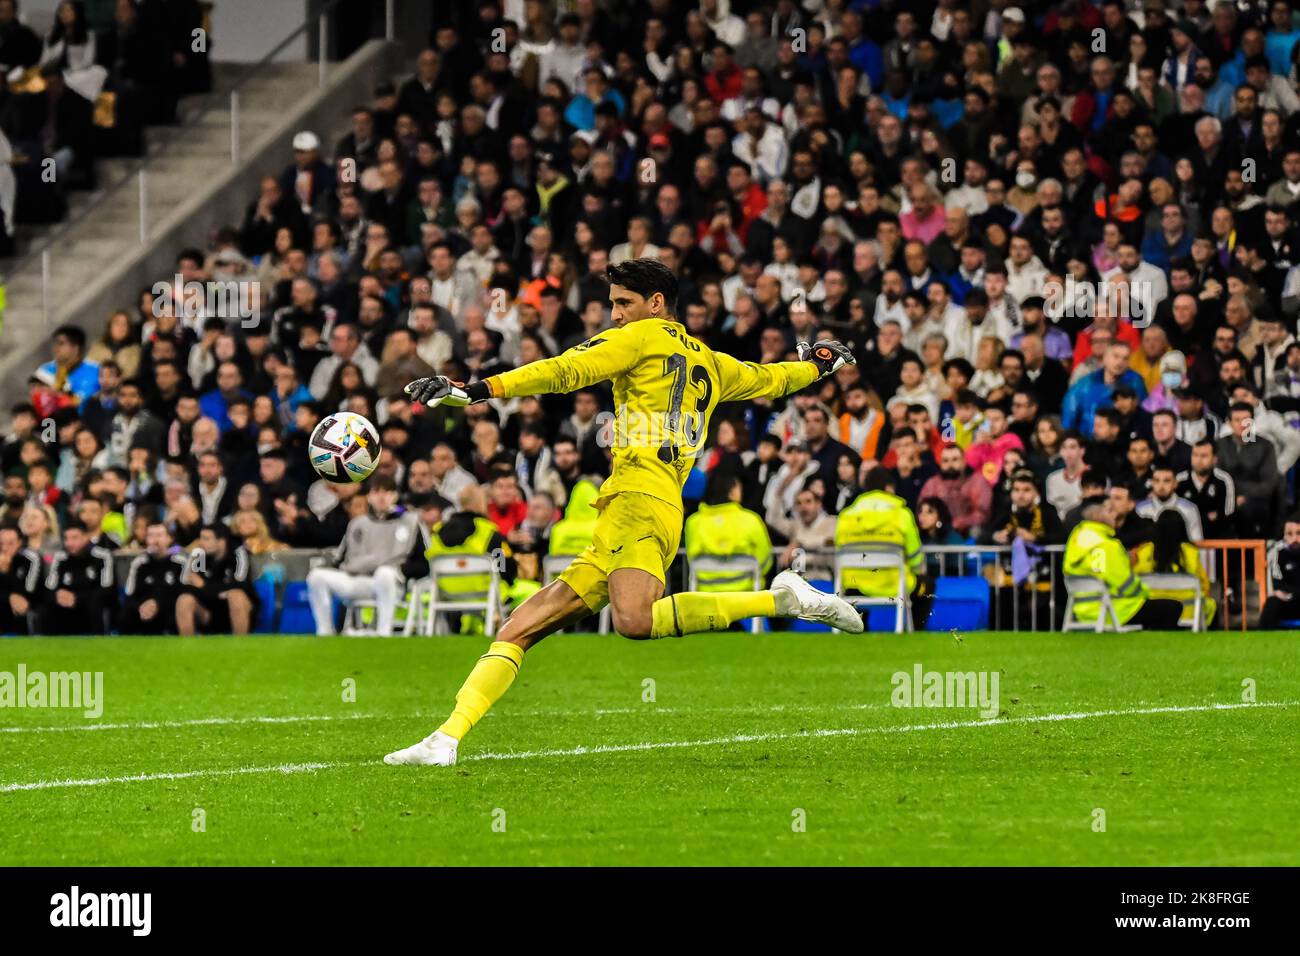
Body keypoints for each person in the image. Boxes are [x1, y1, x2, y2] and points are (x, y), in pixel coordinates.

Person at [386, 258, 863, 767]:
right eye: (613, 304)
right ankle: (446, 739)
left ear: (655, 305)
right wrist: (819, 364)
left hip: (639, 499)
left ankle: (780, 599)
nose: (614, 315)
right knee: (519, 628)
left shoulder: (640, 338)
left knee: (634, 621)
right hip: (636, 505)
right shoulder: (712, 361)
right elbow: (770, 378)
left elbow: (564, 369)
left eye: (623, 303)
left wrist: (475, 389)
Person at [305, 474, 426, 636]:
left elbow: (423, 565)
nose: (382, 497)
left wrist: (401, 571)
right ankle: (325, 631)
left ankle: (384, 632)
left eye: (387, 492)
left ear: (395, 496)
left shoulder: (409, 522)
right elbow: (340, 559)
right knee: (316, 576)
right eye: (376, 492)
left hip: (388, 583)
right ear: (369, 496)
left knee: (384, 573)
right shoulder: (357, 524)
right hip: (356, 579)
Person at [1061, 495, 1185, 630]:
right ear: (1097, 517)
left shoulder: (1076, 539)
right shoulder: (1107, 545)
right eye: (1109, 511)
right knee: (1172, 608)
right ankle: (1153, 649)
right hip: (1115, 610)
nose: (1114, 515)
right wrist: (1145, 594)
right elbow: (1126, 585)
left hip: (1083, 610)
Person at [834, 467, 926, 620]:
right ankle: (916, 630)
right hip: (893, 583)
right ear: (889, 487)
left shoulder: (846, 516)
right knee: (926, 585)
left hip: (853, 585)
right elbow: (915, 557)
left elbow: (839, 553)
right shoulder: (901, 514)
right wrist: (917, 571)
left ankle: (860, 630)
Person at [685, 471, 773, 596]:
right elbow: (766, 561)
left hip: (707, 601)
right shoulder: (751, 519)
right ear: (732, 492)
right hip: (747, 601)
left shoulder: (693, 522)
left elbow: (691, 559)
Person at [175, 523, 259, 636]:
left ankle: (240, 644)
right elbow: (186, 587)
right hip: (209, 612)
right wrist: (218, 592)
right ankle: (185, 647)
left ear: (221, 541)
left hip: (237, 612)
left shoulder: (239, 554)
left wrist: (204, 585)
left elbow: (241, 585)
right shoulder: (199, 556)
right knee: (184, 599)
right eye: (201, 538)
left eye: (207, 539)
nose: (201, 543)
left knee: (236, 596)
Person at [41, 520, 115, 635]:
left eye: (75, 538)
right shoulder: (60, 557)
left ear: (86, 537)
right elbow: (49, 587)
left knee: (96, 602)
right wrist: (58, 595)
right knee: (48, 606)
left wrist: (77, 598)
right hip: (65, 607)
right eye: (66, 538)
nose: (69, 543)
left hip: (90, 607)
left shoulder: (103, 556)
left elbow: (107, 588)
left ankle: (98, 642)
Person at [120, 521, 188, 634]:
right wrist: (142, 607)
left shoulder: (180, 563)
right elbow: (130, 593)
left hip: (168, 610)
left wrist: (157, 604)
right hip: (143, 610)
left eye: (159, 535)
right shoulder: (139, 563)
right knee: (125, 614)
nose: (155, 540)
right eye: (151, 536)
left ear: (169, 539)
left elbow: (182, 593)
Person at [0, 522, 43, 635]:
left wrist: (6, 572)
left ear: (19, 543)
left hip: (24, 606)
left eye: (10, 543)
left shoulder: (31, 559)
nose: (4, 548)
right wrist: (9, 596)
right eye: (1, 543)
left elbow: (30, 590)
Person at [1260, 515, 1300, 628]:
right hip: (1289, 602)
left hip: (1289, 596)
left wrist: (1290, 592)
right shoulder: (1277, 553)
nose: (1295, 539)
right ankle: (1264, 642)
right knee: (1272, 603)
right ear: (1284, 535)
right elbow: (1278, 586)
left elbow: (1284, 589)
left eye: (1299, 533)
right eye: (1290, 534)